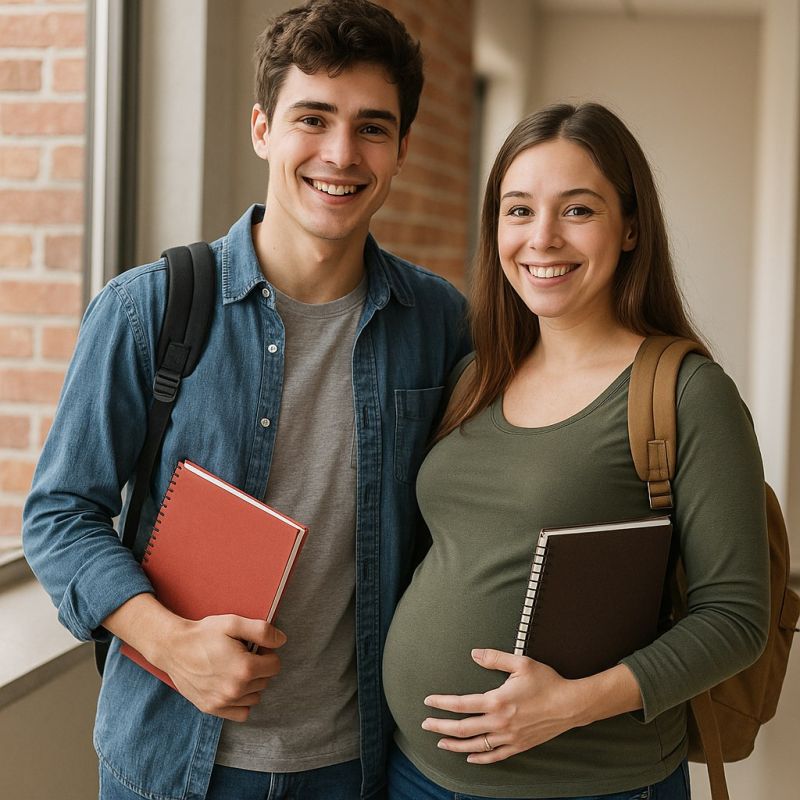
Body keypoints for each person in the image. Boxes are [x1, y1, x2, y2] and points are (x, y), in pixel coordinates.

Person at [22, 2, 470, 798]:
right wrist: (170, 641)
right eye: (313, 118)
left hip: (356, 765)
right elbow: (58, 515)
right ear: (262, 128)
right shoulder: (146, 310)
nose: (341, 153)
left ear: (401, 149)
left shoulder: (438, 323)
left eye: (372, 127)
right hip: (167, 764)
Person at [382, 103, 770, 800]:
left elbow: (738, 618)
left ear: (630, 228)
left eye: (579, 211)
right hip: (416, 771)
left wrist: (569, 704)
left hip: (587, 783)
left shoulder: (687, 394)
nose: (543, 238)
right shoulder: (478, 374)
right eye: (519, 209)